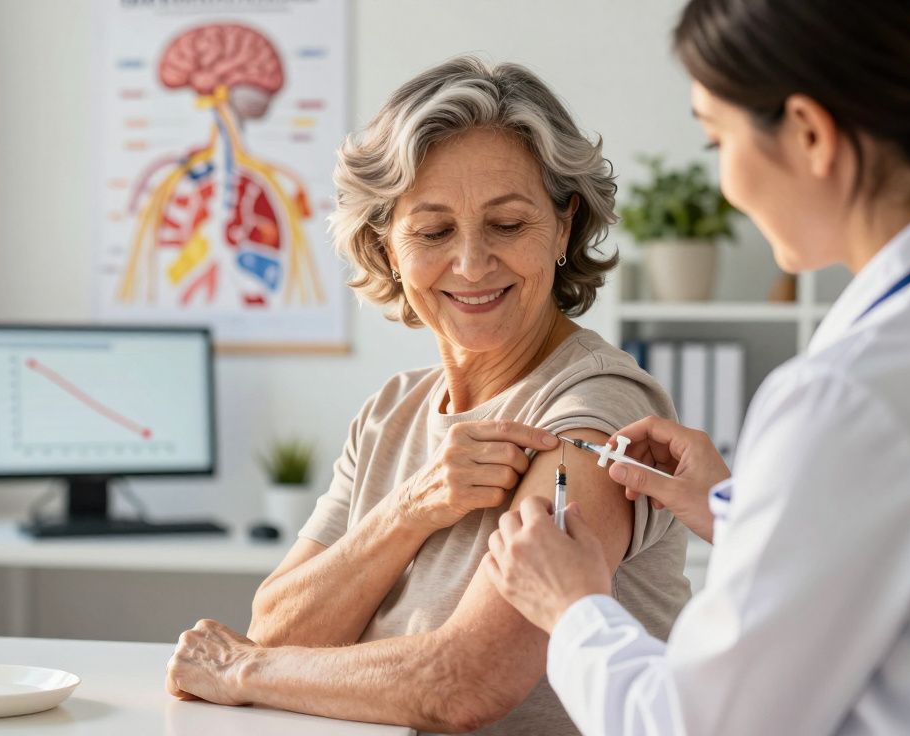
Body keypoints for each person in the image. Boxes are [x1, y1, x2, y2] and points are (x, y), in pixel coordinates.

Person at [165, 57, 692, 734]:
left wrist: (237, 673)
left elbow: (465, 683)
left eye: (507, 225)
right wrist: (411, 508)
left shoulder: (596, 407)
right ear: (386, 246)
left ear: (563, 227)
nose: (472, 264)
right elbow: (277, 628)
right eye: (434, 231)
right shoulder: (392, 412)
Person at [484, 1, 910, 734]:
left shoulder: (845, 399)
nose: (725, 183)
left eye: (714, 139)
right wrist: (739, 512)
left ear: (810, 134)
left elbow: (696, 724)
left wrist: (571, 608)